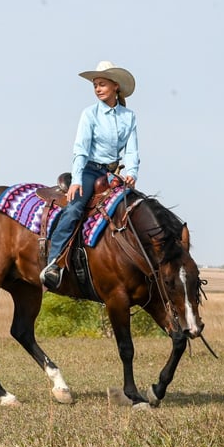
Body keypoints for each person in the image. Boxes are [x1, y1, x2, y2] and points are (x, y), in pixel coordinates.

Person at [40, 60, 140, 290]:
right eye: (95, 84)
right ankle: (54, 263)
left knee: (133, 208)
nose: (97, 88)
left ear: (115, 86)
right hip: (89, 170)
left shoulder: (129, 117)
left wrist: (132, 172)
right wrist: (76, 180)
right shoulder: (90, 114)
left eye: (102, 84)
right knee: (75, 208)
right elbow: (81, 149)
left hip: (113, 174)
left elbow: (132, 150)